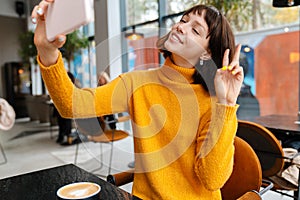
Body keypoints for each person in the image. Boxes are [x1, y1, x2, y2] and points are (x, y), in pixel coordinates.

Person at [32, 2, 243, 199]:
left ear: (206, 55)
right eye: (183, 20)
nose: (181, 27)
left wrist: (225, 104)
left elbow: (212, 178)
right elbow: (71, 104)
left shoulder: (214, 103)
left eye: (195, 30)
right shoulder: (136, 83)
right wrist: (46, 50)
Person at [53, 71, 76, 145]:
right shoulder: (59, 82)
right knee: (60, 120)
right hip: (60, 105)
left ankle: (67, 137)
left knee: (66, 120)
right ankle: (62, 135)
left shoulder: (71, 83)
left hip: (68, 106)